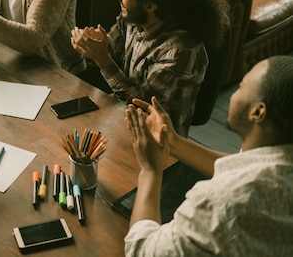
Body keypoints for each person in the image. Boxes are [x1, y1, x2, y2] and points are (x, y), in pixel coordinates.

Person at [124, 55, 293, 256]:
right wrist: (174, 143)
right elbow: (243, 168)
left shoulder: (222, 201)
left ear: (257, 112)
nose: (235, 92)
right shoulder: (279, 163)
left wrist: (150, 170)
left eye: (241, 87)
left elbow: (142, 249)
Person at [71, 0, 227, 136]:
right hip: (120, 117)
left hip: (158, 140)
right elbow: (112, 54)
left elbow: (142, 106)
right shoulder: (134, 17)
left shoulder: (181, 51)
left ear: (151, 6)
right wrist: (93, 48)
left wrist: (102, 59)